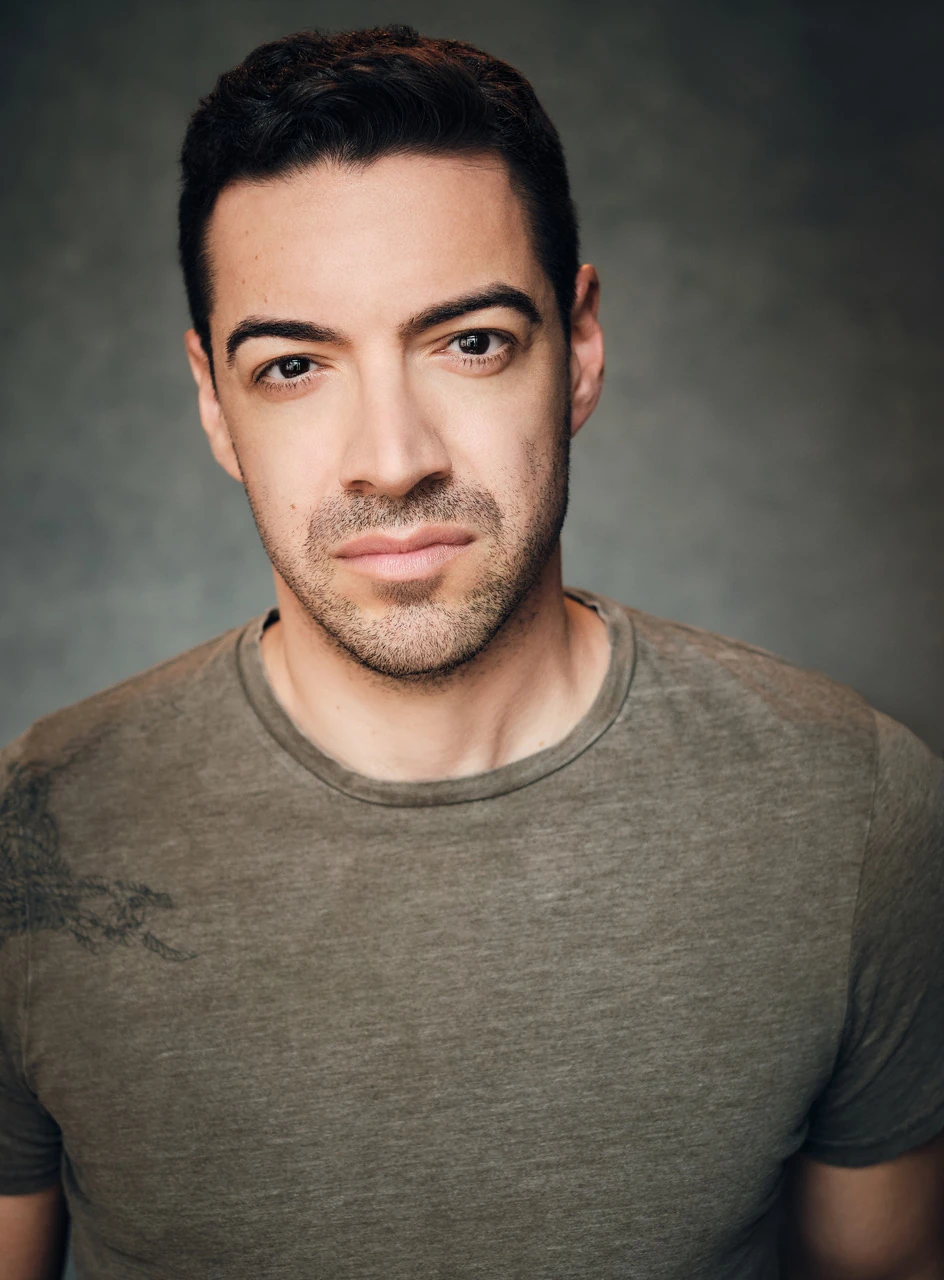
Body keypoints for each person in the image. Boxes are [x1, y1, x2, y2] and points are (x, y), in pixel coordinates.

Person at [1, 24, 942, 1280]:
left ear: (580, 347)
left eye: (470, 341)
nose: (392, 459)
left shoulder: (853, 809)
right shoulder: (34, 834)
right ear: (214, 403)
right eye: (293, 365)